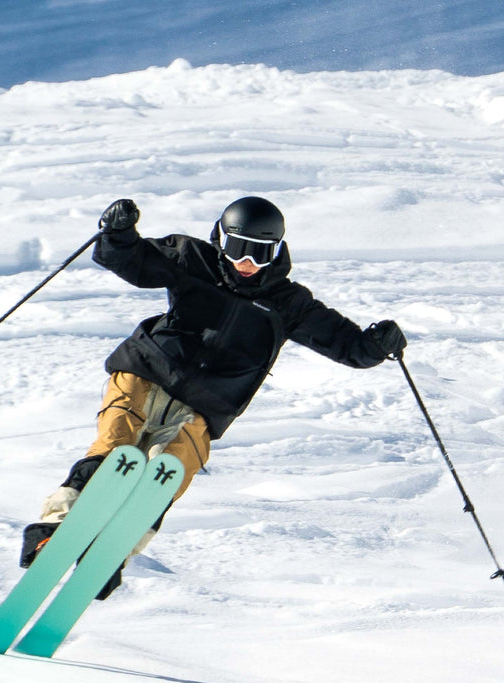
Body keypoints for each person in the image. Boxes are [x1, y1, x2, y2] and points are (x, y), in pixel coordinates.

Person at [20, 196, 407, 599]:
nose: (247, 264)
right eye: (239, 249)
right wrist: (118, 234)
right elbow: (132, 261)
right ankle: (57, 530)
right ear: (220, 240)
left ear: (276, 253)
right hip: (145, 371)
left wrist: (376, 345)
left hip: (206, 406)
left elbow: (347, 345)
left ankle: (111, 551)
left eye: (260, 254)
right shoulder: (191, 258)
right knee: (117, 446)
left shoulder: (288, 303)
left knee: (167, 470)